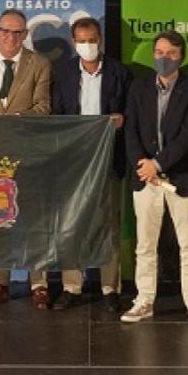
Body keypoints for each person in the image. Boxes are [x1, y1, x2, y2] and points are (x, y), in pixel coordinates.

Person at [119, 31, 188, 327]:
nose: (163, 58)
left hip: (181, 177)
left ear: (181, 56)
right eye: (158, 52)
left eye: (170, 53)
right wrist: (144, 166)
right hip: (146, 179)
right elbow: (130, 131)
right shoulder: (138, 87)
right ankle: (144, 300)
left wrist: (158, 163)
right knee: (145, 245)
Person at [0, 8, 52, 307]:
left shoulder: (40, 64)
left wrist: (14, 119)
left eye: (17, 32)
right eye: (5, 31)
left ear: (25, 35)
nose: (11, 37)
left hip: (27, 150)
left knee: (32, 217)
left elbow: (43, 107)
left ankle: (38, 282)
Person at [49, 16, 132, 311]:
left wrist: (122, 119)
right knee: (72, 224)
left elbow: (131, 114)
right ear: (74, 43)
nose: (88, 46)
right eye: (82, 41)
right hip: (74, 163)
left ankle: (111, 288)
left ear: (101, 40)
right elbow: (56, 117)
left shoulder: (120, 73)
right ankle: (72, 286)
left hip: (108, 159)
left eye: (92, 40)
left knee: (108, 225)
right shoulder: (62, 73)